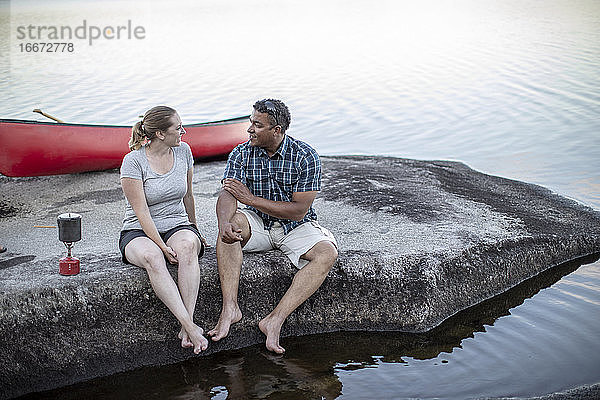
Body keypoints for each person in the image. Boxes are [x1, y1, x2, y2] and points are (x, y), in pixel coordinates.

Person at [208, 99, 338, 354]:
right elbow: (228, 193)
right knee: (230, 230)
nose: (250, 129)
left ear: (276, 130)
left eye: (257, 125)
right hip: (257, 221)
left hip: (295, 225)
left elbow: (299, 209)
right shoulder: (241, 153)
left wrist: (250, 199)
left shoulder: (305, 155)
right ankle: (230, 309)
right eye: (251, 122)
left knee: (327, 254)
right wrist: (224, 222)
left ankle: (274, 320)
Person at [118, 105, 208, 354]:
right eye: (178, 128)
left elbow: (188, 196)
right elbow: (141, 212)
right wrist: (161, 245)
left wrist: (195, 230)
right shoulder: (133, 161)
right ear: (159, 134)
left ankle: (185, 324)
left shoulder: (184, 151)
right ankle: (191, 327)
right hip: (138, 230)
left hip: (177, 223)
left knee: (187, 248)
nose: (184, 132)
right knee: (153, 258)